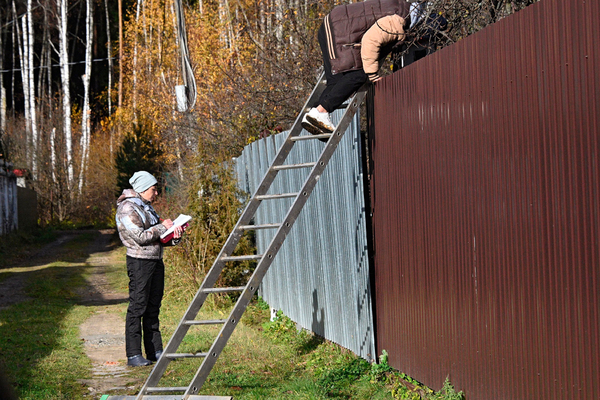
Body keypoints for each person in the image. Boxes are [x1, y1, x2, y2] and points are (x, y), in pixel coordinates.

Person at [301, 0, 420, 136]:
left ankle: (314, 113)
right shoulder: (399, 19)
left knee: (337, 80)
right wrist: (373, 74)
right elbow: (371, 40)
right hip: (339, 32)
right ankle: (321, 111)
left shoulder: (400, 7)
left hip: (331, 27)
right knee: (360, 75)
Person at [115, 171, 185, 367]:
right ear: (143, 188)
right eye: (154, 190)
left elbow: (158, 238)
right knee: (138, 306)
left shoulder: (147, 207)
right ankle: (134, 354)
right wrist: (163, 227)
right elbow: (140, 237)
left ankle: (155, 350)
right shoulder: (127, 208)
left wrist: (175, 234)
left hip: (155, 261)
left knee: (153, 306)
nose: (156, 194)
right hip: (139, 263)